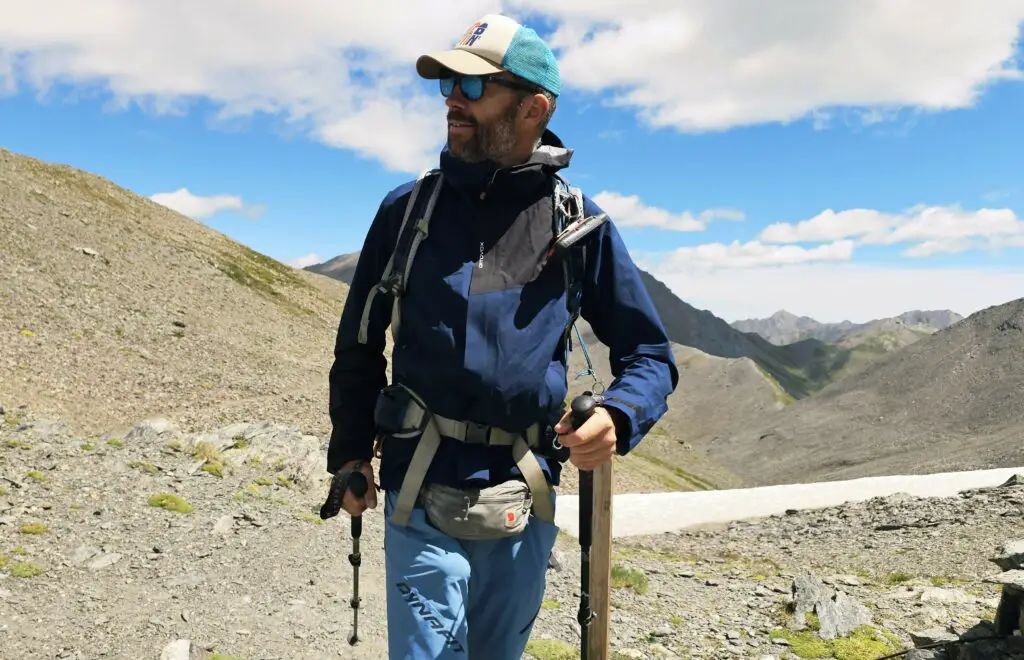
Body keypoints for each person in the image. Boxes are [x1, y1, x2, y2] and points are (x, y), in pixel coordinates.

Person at [326, 13, 679, 660]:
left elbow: (650, 354)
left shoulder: (577, 225)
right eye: (448, 85)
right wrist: (351, 455)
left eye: (473, 87)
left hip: (524, 496)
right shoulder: (406, 212)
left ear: (533, 108)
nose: (452, 101)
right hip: (418, 493)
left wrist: (621, 415)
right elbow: (359, 346)